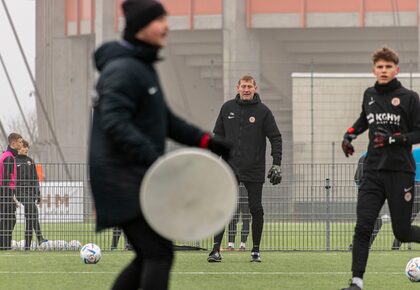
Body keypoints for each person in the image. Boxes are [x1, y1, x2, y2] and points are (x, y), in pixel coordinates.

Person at [88, 1, 231, 289]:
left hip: (134, 177)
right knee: (158, 253)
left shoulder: (141, 67)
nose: (167, 25)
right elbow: (115, 122)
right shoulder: (123, 70)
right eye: (160, 19)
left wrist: (206, 141)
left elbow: (164, 119)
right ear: (141, 26)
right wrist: (155, 159)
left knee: (148, 254)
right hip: (121, 179)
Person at [340, 47, 420, 290]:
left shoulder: (409, 98)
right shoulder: (369, 94)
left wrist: (394, 139)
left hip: (400, 171)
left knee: (402, 230)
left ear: (396, 69)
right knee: (363, 226)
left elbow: (418, 131)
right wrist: (349, 135)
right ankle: (356, 282)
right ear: (374, 69)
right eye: (379, 67)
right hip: (373, 172)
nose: (383, 71)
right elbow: (365, 119)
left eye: (388, 67)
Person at [207, 75, 283, 263]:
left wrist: (276, 163)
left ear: (255, 88)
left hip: (254, 168)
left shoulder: (263, 111)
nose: (246, 89)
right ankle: (215, 250)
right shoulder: (227, 108)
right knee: (223, 207)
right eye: (243, 86)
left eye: (250, 86)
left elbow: (275, 137)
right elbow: (218, 135)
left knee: (255, 208)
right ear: (238, 88)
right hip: (229, 167)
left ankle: (255, 251)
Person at [15, 139, 46, 250]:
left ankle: (27, 246)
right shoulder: (13, 161)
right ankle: (40, 237)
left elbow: (35, 179)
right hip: (20, 192)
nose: (26, 149)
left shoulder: (30, 161)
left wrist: (38, 193)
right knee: (33, 210)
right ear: (18, 147)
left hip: (31, 192)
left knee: (30, 216)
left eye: (27, 147)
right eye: (24, 146)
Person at [0, 133, 22, 250]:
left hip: (5, 191)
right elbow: (5, 179)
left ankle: (4, 245)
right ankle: (4, 246)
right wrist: (8, 197)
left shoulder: (7, 155)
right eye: (19, 142)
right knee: (8, 219)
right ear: (13, 143)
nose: (21, 144)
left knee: (8, 218)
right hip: (5, 191)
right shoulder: (8, 157)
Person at [226, 183, 250, 251]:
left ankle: (242, 244)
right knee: (232, 218)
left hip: (246, 194)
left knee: (246, 218)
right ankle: (231, 244)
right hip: (235, 194)